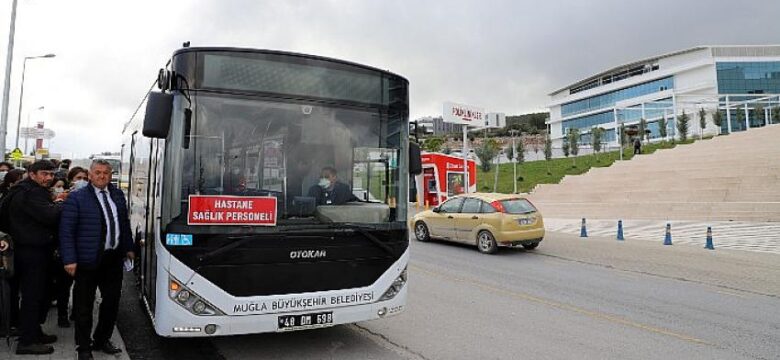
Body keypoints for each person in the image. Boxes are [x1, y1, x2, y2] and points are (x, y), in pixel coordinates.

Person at [59, 160, 134, 360]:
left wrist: (128, 247)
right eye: (98, 172)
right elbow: (66, 232)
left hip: (112, 258)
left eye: (106, 173)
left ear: (111, 175)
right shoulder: (77, 198)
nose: (102, 176)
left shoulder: (117, 195)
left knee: (111, 302)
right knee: (83, 306)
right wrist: (69, 259)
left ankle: (101, 340)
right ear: (90, 175)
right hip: (87, 259)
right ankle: (83, 348)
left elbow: (123, 223)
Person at [5, 160, 61, 355]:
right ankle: (27, 341)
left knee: (35, 295)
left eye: (51, 174)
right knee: (32, 296)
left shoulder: (19, 190)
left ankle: (33, 332)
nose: (48, 178)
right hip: (32, 252)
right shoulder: (32, 192)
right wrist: (63, 203)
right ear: (32, 174)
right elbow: (49, 216)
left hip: (23, 250)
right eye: (44, 174)